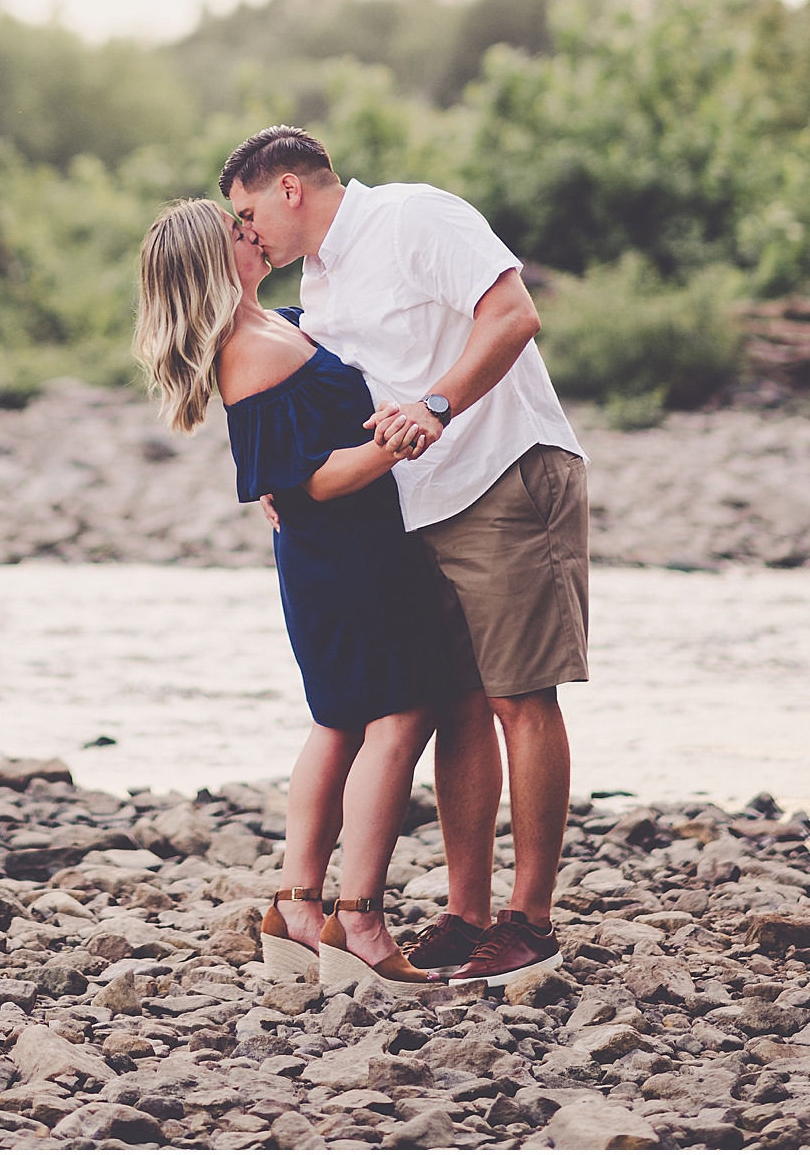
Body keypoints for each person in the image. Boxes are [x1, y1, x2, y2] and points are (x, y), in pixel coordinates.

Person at [221, 126, 588, 989]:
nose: (246, 235)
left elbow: (515, 315)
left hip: (504, 473)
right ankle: (466, 918)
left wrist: (437, 404)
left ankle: (529, 921)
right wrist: (282, 475)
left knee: (520, 697)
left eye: (246, 213)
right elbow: (305, 386)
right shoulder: (319, 282)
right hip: (418, 505)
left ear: (288, 189)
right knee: (457, 700)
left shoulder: (416, 217)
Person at [134, 196, 481, 992]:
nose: (252, 234)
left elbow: (288, 455)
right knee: (400, 714)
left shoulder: (275, 325)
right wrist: (397, 440)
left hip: (342, 549)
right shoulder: (250, 349)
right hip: (345, 550)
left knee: (341, 720)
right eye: (236, 233)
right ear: (212, 263)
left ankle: (296, 904)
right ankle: (357, 917)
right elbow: (308, 478)